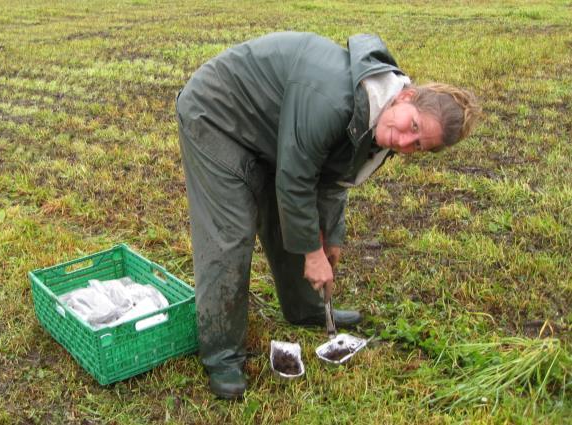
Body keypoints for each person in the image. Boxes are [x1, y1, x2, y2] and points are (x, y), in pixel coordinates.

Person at [175, 32, 480, 399]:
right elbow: (295, 178)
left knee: (293, 218)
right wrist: (313, 253)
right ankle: (221, 353)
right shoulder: (334, 99)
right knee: (229, 235)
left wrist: (330, 236)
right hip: (218, 115)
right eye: (412, 127)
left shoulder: (378, 119)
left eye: (418, 145)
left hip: (272, 133)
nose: (403, 142)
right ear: (406, 97)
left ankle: (303, 307)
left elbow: (334, 178)